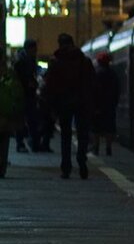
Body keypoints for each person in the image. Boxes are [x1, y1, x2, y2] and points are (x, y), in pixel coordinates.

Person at [42, 33, 96, 179]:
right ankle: (82, 162)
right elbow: (91, 84)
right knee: (82, 135)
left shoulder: (56, 63)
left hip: (64, 104)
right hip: (82, 103)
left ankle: (66, 168)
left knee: (65, 136)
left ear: (59, 44)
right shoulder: (85, 61)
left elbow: (50, 86)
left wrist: (51, 106)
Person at [13, 39, 40, 153]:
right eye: (34, 49)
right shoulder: (20, 61)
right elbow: (19, 78)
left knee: (30, 119)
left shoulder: (30, 59)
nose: (35, 51)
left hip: (29, 94)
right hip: (22, 94)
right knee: (22, 120)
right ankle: (21, 143)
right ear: (28, 49)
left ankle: (33, 143)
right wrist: (29, 82)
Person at [91, 52, 119, 156]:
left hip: (98, 106)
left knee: (96, 129)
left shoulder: (96, 74)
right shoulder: (113, 74)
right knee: (109, 128)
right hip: (109, 106)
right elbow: (117, 91)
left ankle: (96, 147)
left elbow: (93, 91)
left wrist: (94, 106)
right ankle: (108, 147)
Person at [0, 66, 24, 178]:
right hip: (7, 113)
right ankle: (2, 168)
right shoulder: (9, 74)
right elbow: (18, 94)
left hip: (5, 113)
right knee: (4, 141)